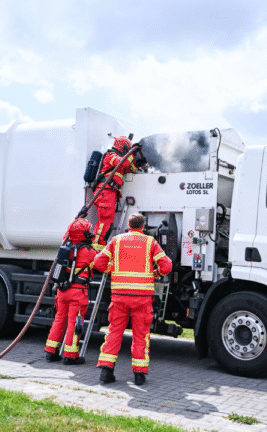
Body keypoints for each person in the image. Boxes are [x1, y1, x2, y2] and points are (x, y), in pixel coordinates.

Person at [93, 213, 172, 385]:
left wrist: (112, 268)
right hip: (142, 298)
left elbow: (98, 263)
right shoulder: (150, 242)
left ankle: (106, 372)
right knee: (141, 335)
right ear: (143, 227)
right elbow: (167, 265)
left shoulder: (117, 240)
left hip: (120, 297)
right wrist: (158, 273)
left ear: (128, 226)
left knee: (114, 332)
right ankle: (139, 376)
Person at [44, 218, 97, 365]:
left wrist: (76, 223)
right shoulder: (89, 252)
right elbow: (102, 264)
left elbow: (68, 233)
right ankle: (70, 355)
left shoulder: (65, 248)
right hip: (78, 293)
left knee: (59, 319)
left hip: (62, 291)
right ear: (85, 234)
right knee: (75, 323)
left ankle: (51, 351)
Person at [91, 136, 138, 251]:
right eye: (127, 149)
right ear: (124, 147)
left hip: (109, 193)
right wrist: (132, 153)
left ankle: (98, 248)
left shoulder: (118, 161)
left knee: (107, 223)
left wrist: (137, 161)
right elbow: (122, 162)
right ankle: (96, 250)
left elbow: (131, 168)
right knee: (105, 222)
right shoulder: (111, 156)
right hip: (105, 192)